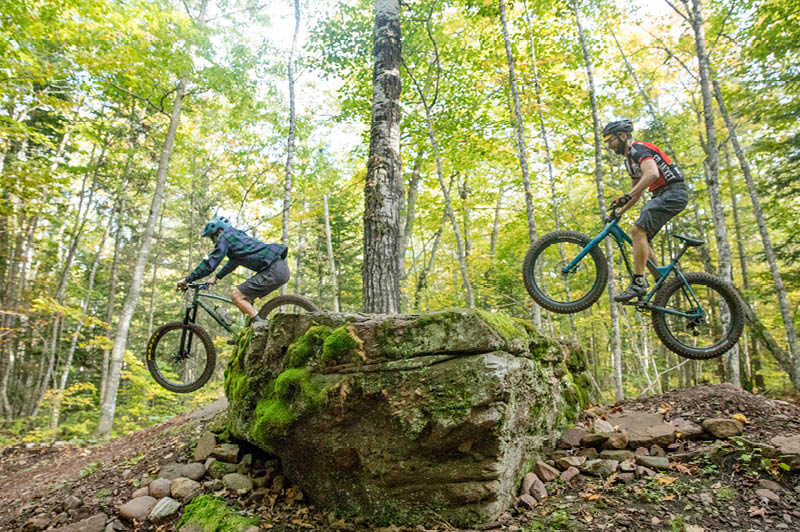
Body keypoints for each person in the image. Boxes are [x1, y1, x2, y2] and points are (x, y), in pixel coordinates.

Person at [602, 119, 689, 302]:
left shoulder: (638, 149)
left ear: (623, 136)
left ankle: (638, 282)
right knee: (641, 240)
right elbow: (636, 193)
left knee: (637, 230)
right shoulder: (629, 161)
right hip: (662, 195)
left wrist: (627, 195)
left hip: (673, 192)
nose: (609, 145)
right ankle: (661, 283)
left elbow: (652, 174)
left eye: (611, 140)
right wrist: (619, 212)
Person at [177, 216, 290, 324]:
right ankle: (252, 329)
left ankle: (260, 326)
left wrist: (187, 279)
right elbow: (234, 261)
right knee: (245, 300)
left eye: (212, 237)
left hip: (274, 270)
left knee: (236, 296)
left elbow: (210, 264)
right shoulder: (236, 237)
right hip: (278, 269)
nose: (213, 242)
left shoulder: (225, 236)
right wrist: (217, 277)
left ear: (219, 231)